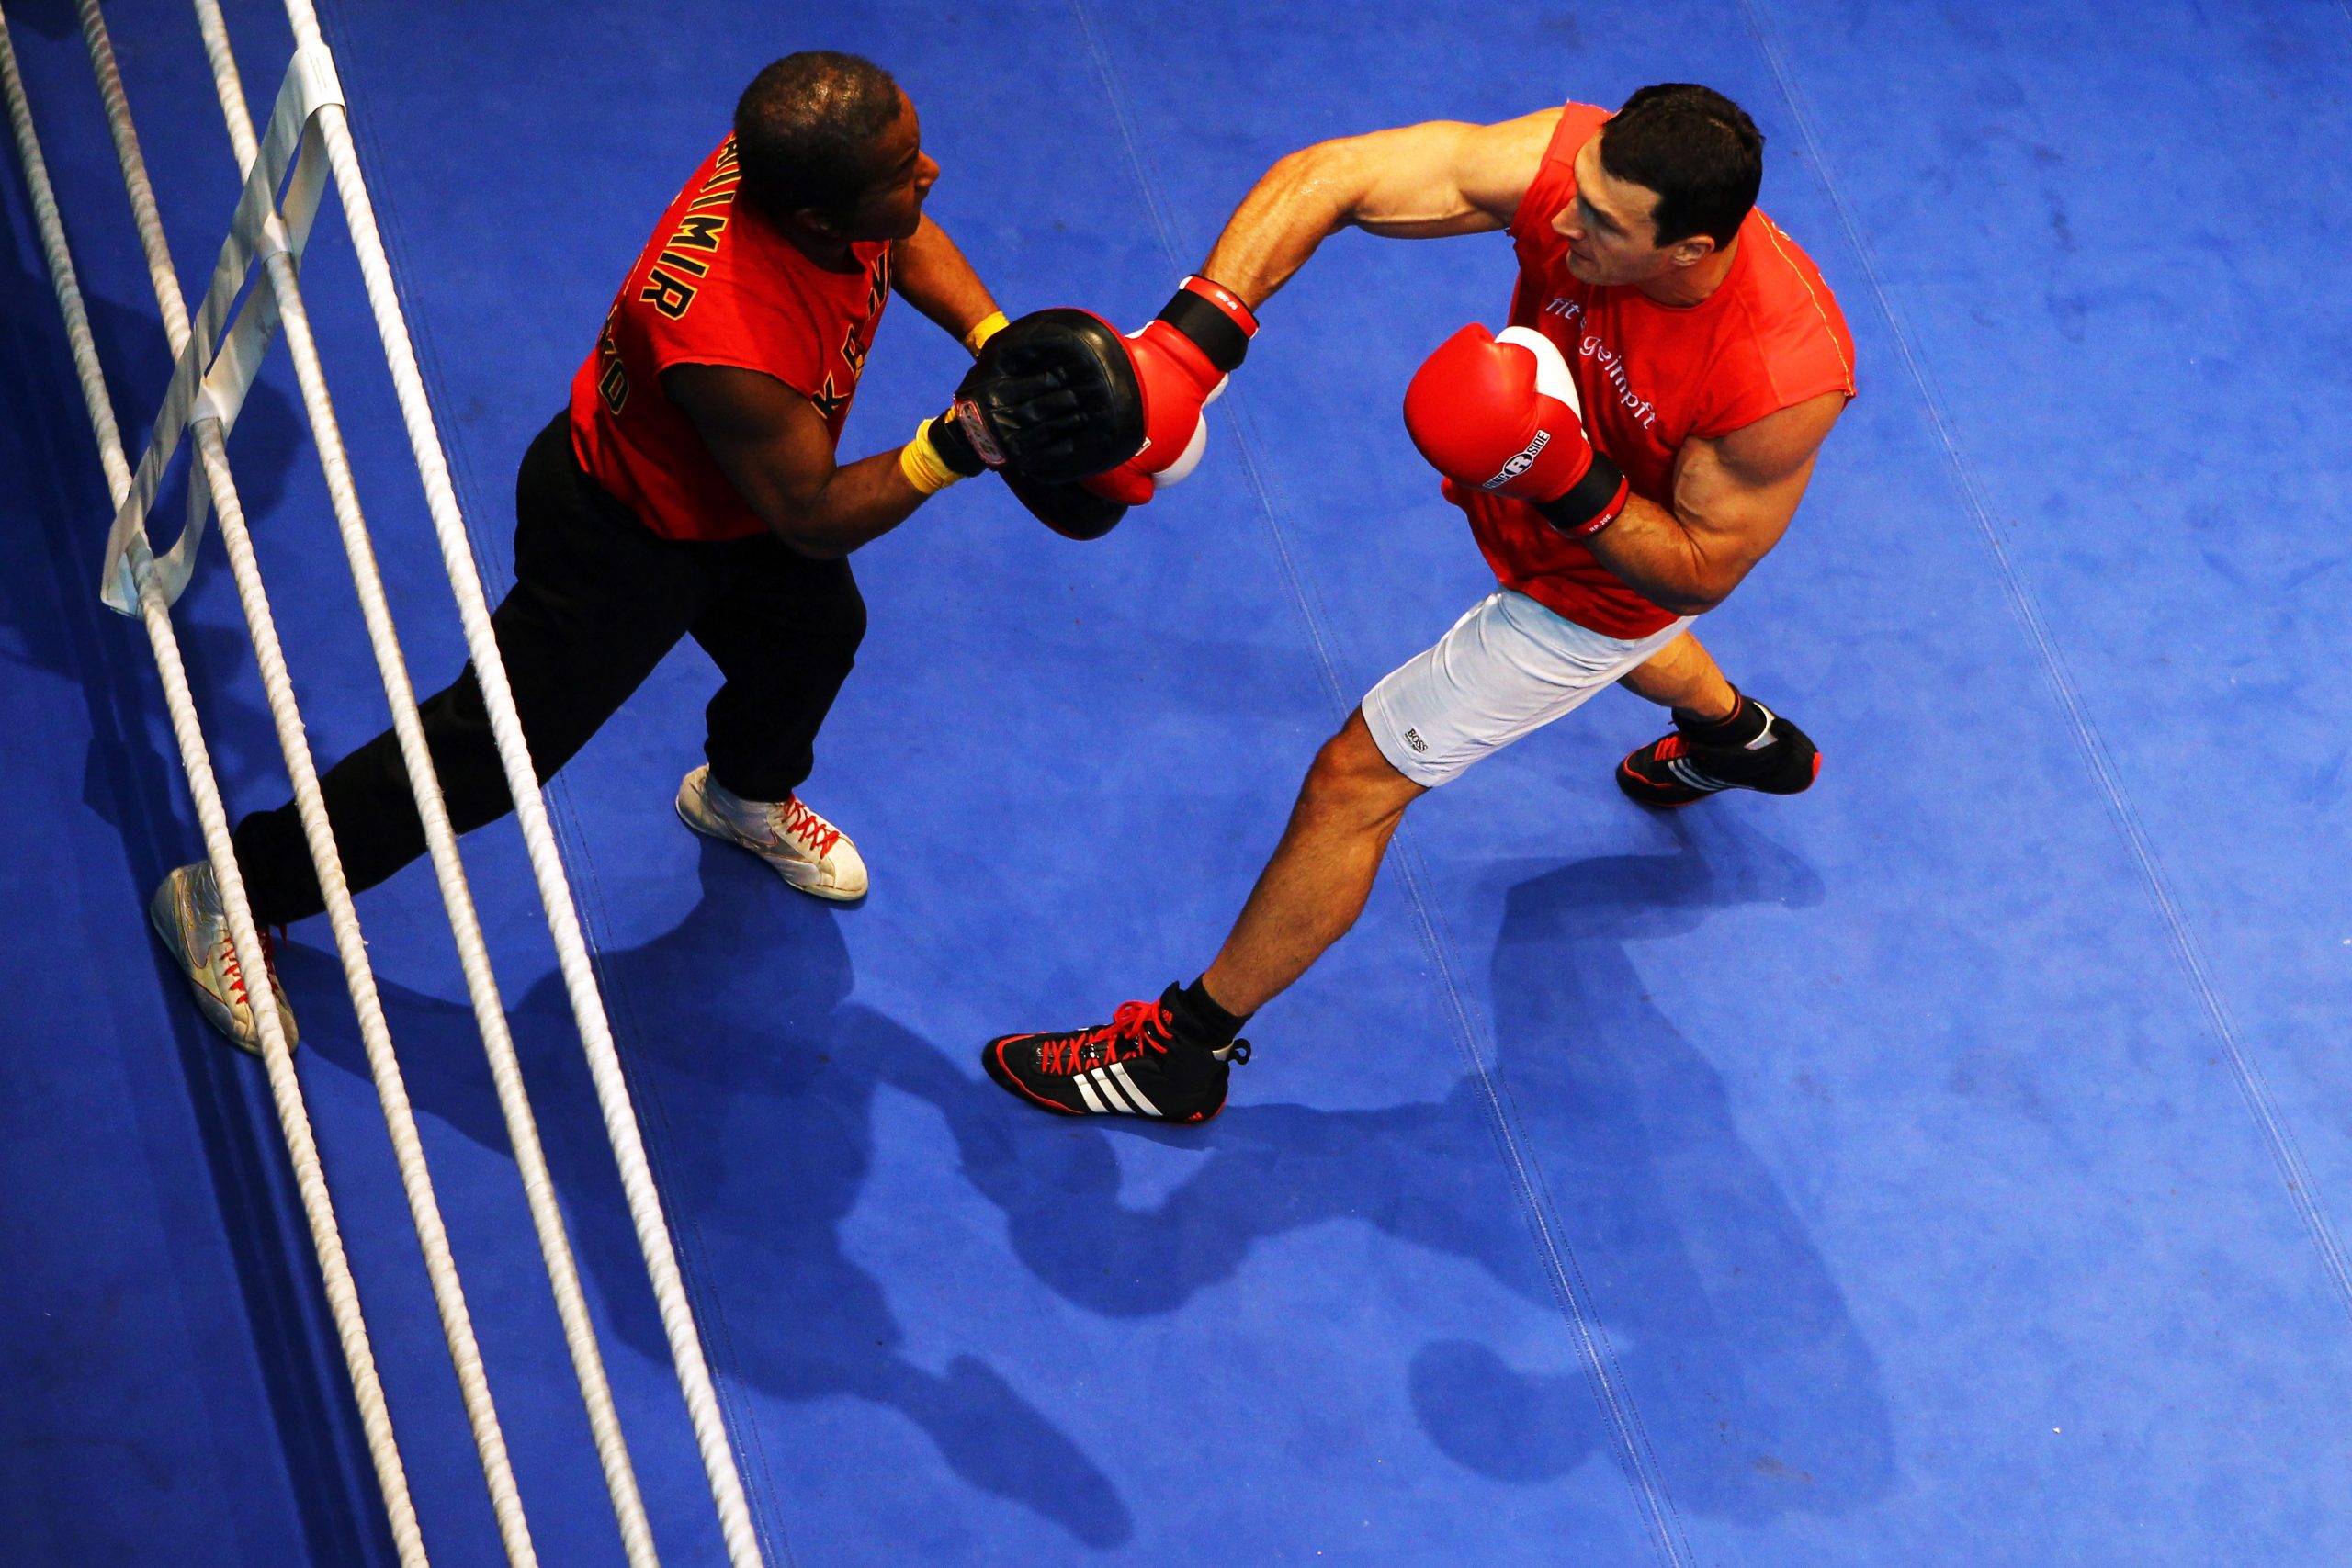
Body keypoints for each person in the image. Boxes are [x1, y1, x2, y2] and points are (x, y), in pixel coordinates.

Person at [149, 51, 1090, 1052]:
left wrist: (993, 337)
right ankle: (231, 887)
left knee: (814, 637)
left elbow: (895, 237)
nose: (930, 172)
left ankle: (740, 795)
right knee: (486, 755)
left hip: (734, 507)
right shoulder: (729, 335)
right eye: (904, 169)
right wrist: (961, 445)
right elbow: (811, 513)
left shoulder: (801, 170)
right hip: (624, 534)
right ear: (818, 216)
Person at [982, 84, 1857, 1122]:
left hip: (1603, 581)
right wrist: (1189, 344)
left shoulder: (1778, 374)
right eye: (1575, 194)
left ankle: (1185, 1052)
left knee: (1353, 779)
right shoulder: (1572, 170)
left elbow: (1700, 571)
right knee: (1589, 610)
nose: (1563, 221)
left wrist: (1555, 471)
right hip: (1536, 480)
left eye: (1604, 226)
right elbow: (1338, 174)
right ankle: (1734, 738)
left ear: (1690, 248)